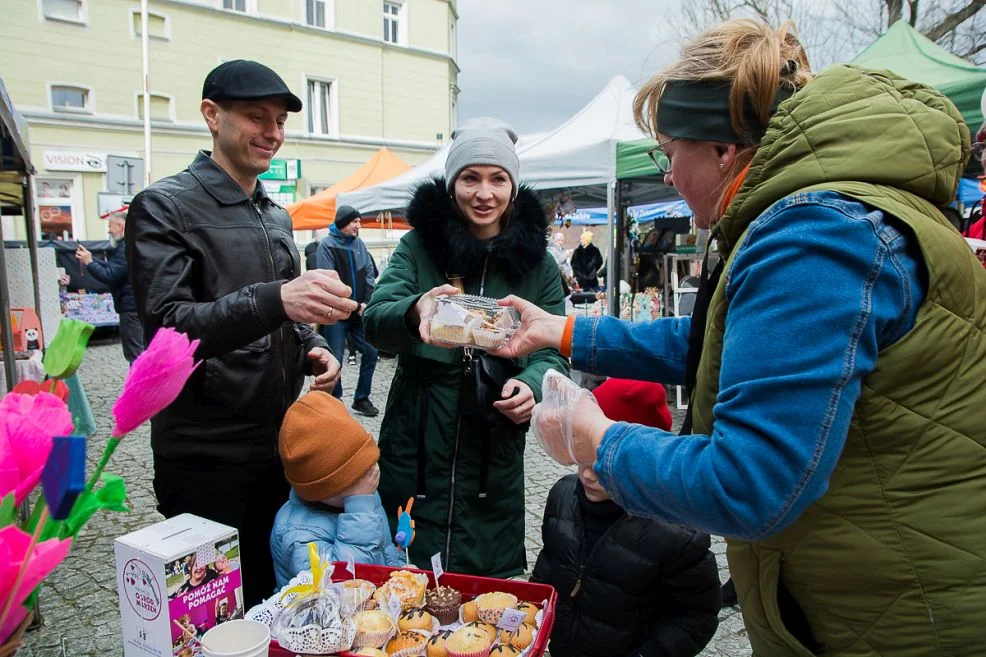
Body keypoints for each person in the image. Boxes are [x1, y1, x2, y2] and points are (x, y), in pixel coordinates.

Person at [494, 18, 986, 656]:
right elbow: (723, 345)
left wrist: (600, 442)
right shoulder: (821, 215)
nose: (667, 174)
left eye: (669, 151)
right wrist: (560, 331)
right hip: (879, 584)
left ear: (723, 150)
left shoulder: (814, 234)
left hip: (897, 610)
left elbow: (748, 481)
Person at [127, 59, 357, 607]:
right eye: (257, 117)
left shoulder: (276, 216)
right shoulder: (164, 206)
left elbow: (288, 315)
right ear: (211, 115)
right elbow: (168, 327)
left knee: (278, 595)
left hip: (279, 443)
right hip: (205, 454)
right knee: (212, 613)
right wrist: (278, 299)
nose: (272, 133)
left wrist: (314, 347)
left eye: (279, 121)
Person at [364, 117, 569, 577]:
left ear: (513, 188)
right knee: (407, 573)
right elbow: (375, 320)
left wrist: (532, 384)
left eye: (498, 179)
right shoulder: (419, 248)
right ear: (452, 182)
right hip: (417, 438)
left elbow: (554, 349)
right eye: (470, 178)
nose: (484, 193)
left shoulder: (537, 266)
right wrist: (415, 310)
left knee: (481, 581)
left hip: (490, 449)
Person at [531, 377, 719, 657]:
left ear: (642, 458)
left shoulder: (677, 532)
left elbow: (696, 617)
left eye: (603, 458)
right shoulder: (563, 495)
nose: (588, 472)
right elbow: (549, 565)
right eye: (582, 451)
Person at [270, 391, 403, 587]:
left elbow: (384, 548)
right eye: (357, 473)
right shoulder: (298, 535)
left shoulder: (361, 497)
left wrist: (399, 572)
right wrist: (360, 509)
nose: (369, 476)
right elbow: (344, 585)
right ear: (325, 489)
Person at [316, 205, 380, 416]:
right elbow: (327, 279)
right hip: (335, 314)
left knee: (371, 351)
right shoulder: (326, 245)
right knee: (335, 359)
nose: (358, 226)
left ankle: (361, 398)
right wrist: (350, 303)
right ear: (344, 222)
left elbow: (370, 275)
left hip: (358, 312)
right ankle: (335, 402)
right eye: (355, 222)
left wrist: (365, 302)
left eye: (359, 222)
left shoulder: (360, 244)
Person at [75, 208, 144, 363]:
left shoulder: (125, 247)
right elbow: (114, 268)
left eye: (110, 226)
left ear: (120, 226)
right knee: (137, 351)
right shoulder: (129, 245)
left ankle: (141, 386)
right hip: (133, 305)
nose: (108, 230)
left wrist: (90, 263)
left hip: (131, 307)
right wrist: (91, 259)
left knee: (135, 354)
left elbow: (111, 275)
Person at [547, 231, 574, 296]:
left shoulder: (561, 249)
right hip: (559, 279)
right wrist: (565, 255)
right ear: (554, 240)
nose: (561, 242)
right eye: (559, 240)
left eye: (562, 240)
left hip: (566, 280)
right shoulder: (551, 249)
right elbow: (556, 263)